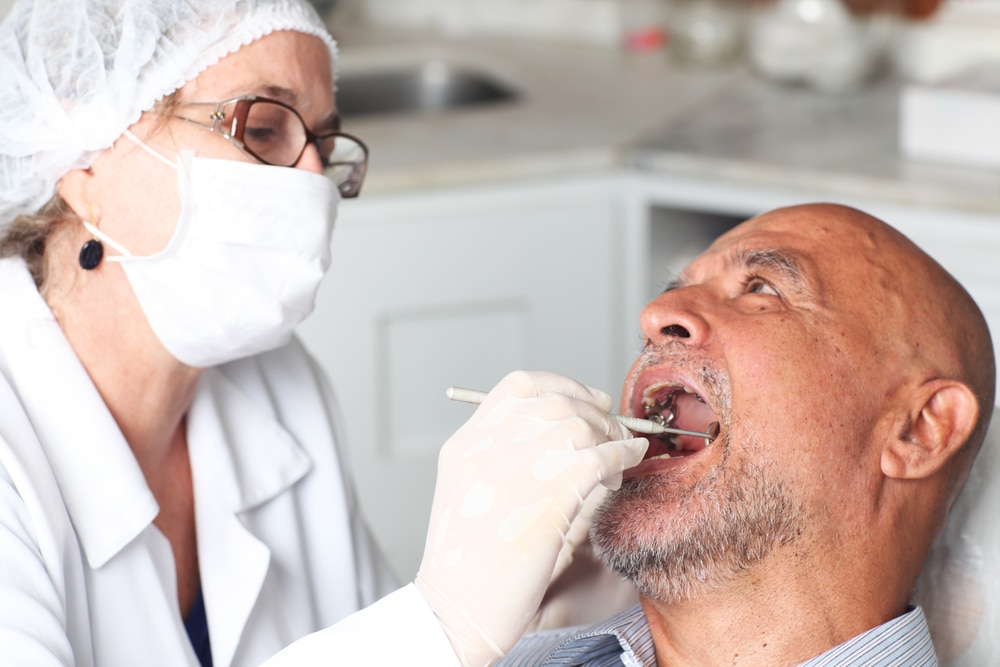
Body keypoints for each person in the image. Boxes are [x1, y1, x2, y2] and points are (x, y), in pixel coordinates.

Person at [0, 1, 649, 665]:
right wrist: (444, 620)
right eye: (262, 126)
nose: (314, 181)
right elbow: (412, 639)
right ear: (84, 161)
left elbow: (368, 633)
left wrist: (535, 596)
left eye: (323, 143)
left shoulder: (281, 384)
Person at [496, 203, 997, 666]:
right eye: (674, 287)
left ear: (919, 429)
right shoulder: (478, 641)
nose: (655, 315)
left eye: (762, 288)